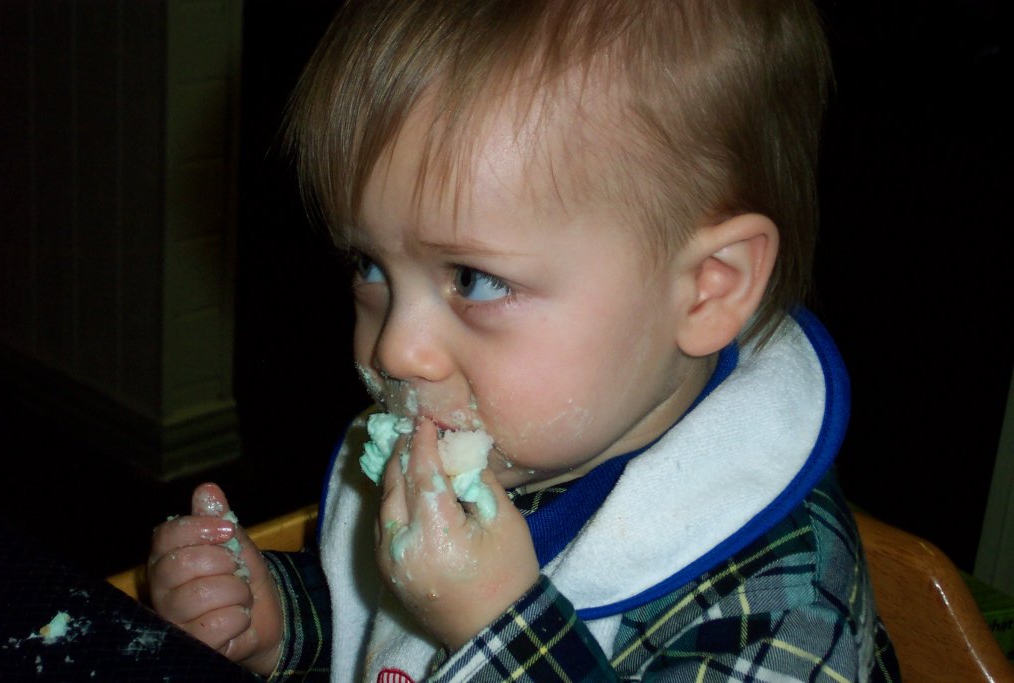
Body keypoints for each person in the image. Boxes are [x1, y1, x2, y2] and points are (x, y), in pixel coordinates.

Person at [148, 0, 901, 680]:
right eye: (369, 265)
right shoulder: (505, 434)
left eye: (474, 279)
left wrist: (497, 631)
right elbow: (386, 628)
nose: (397, 350)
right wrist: (286, 620)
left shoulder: (783, 603)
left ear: (707, 288)